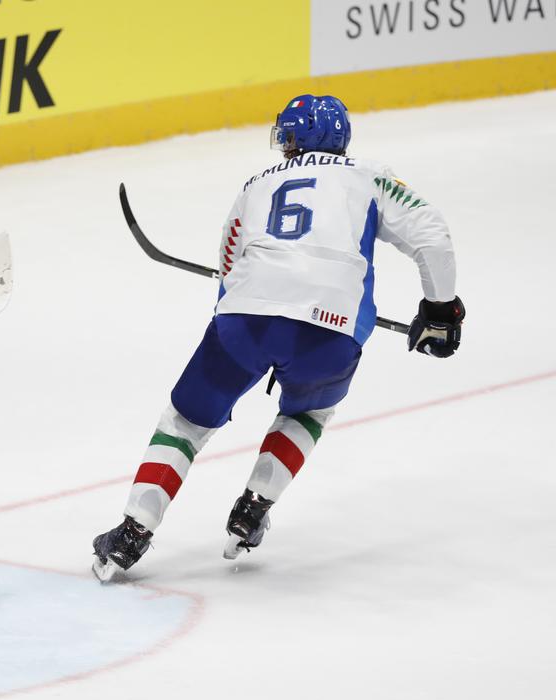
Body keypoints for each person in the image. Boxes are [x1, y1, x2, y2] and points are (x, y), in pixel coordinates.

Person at [92, 94, 465, 581]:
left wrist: (239, 324)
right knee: (307, 412)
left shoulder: (256, 183)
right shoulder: (368, 174)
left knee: (185, 421)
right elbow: (432, 235)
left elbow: (229, 260)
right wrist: (440, 311)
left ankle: (131, 532)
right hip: (330, 336)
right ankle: (252, 509)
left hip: (244, 322)